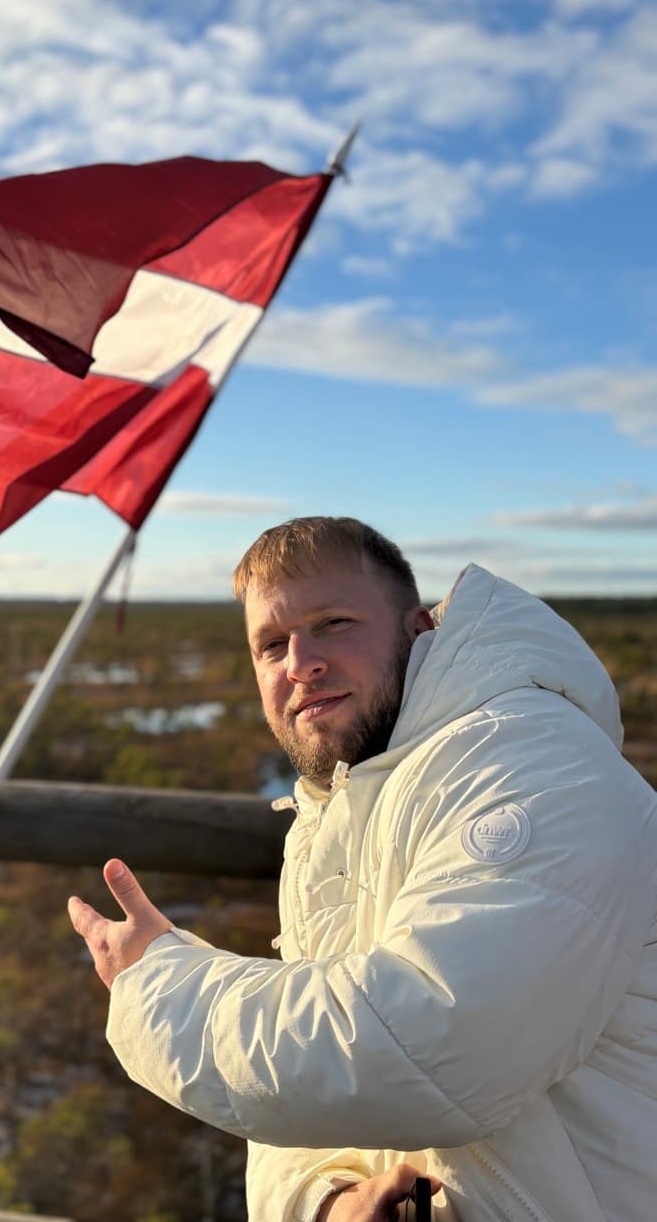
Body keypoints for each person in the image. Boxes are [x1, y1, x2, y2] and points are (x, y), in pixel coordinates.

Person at [68, 516, 657, 1222]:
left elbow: (429, 1051)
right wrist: (327, 1200)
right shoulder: (341, 807)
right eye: (271, 645)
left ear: (419, 627)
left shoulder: (532, 767)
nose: (300, 663)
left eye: (334, 623)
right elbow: (311, 1068)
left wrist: (158, 985)